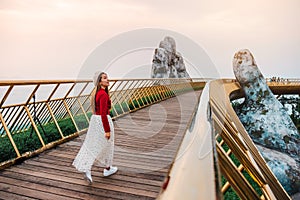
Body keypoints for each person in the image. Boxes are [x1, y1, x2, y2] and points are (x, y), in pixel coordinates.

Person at [72, 71, 118, 183]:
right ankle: (104, 168)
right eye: (105, 78)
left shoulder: (98, 93)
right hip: (102, 121)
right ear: (99, 82)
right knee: (108, 145)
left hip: (95, 121)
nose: (108, 80)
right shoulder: (103, 94)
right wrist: (107, 130)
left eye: (107, 78)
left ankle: (105, 167)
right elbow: (104, 113)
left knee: (93, 145)